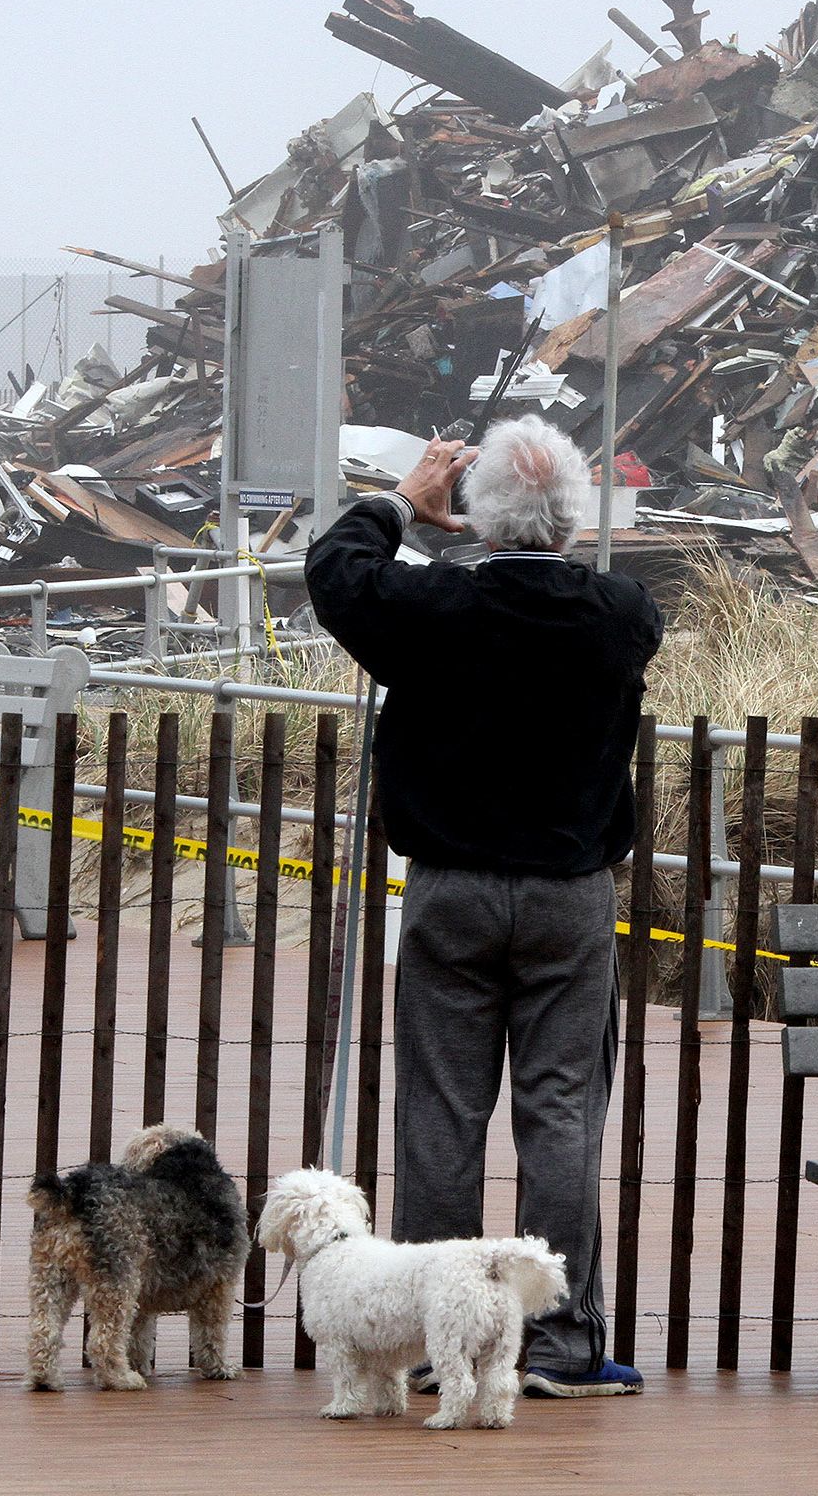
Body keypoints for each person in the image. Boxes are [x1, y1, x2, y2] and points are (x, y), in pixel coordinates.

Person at [304, 415, 664, 1398]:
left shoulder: (429, 609)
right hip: (568, 899)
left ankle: (444, 1337)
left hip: (449, 891)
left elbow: (334, 569)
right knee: (559, 1116)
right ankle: (558, 1340)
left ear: (474, 511)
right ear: (573, 512)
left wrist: (400, 501)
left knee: (440, 1113)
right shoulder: (622, 614)